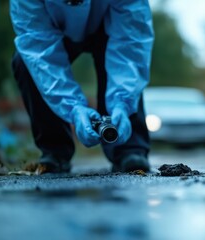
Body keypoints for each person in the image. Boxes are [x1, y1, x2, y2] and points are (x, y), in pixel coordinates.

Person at [9, 0, 154, 174]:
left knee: (125, 69)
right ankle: (55, 151)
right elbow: (38, 48)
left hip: (109, 24)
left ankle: (129, 149)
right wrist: (74, 107)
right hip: (52, 29)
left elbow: (129, 42)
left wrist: (122, 101)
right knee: (25, 62)